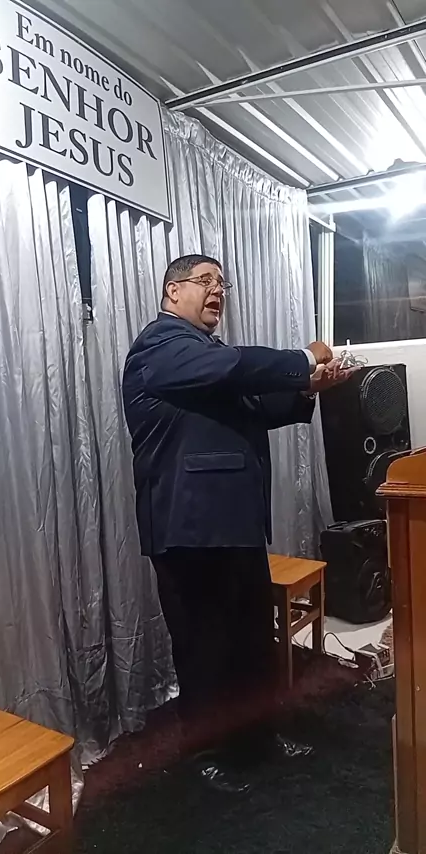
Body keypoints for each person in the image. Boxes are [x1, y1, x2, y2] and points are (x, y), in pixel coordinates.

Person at [122, 254, 356, 793]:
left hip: (236, 522)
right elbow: (237, 367)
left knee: (252, 639)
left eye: (222, 283)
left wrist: (308, 388)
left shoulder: (206, 357)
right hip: (187, 527)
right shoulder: (161, 346)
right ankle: (206, 752)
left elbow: (256, 405)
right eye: (205, 280)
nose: (218, 291)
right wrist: (304, 356)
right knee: (205, 645)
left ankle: (258, 739)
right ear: (172, 291)